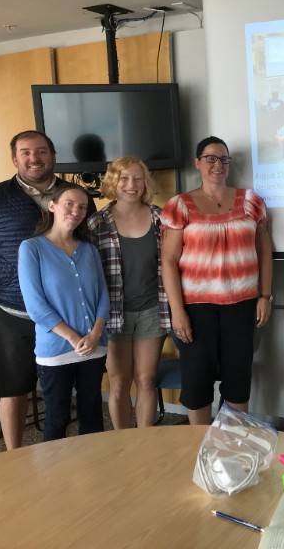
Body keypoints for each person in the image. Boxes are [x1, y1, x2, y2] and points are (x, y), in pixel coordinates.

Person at [161, 136, 273, 425]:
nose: (217, 164)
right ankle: (197, 445)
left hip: (242, 304)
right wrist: (177, 312)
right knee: (197, 381)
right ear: (197, 163)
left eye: (223, 159)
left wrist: (264, 296)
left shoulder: (251, 201)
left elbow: (264, 250)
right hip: (196, 309)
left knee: (238, 377)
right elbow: (169, 261)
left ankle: (232, 445)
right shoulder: (180, 205)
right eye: (210, 158)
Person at [0, 130, 74, 449]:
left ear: (53, 155)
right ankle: (13, 456)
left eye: (41, 151)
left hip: (63, 315)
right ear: (15, 159)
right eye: (26, 153)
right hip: (10, 313)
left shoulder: (72, 194)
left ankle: (61, 454)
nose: (35, 158)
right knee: (14, 389)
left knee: (61, 389)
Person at [18, 184, 109, 441]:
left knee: (92, 415)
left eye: (82, 207)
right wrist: (72, 338)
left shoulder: (89, 249)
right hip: (56, 351)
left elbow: (103, 295)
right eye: (69, 203)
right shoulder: (31, 248)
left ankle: (95, 474)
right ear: (52, 205)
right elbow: (36, 306)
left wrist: (95, 335)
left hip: (94, 346)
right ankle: (53, 479)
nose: (76, 211)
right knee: (57, 419)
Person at [88, 157, 170, 429]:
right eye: (124, 178)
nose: (131, 185)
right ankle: (121, 440)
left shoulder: (161, 218)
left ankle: (144, 441)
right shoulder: (96, 223)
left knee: (146, 379)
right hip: (112, 314)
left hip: (152, 310)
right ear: (113, 182)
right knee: (119, 381)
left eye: (137, 178)